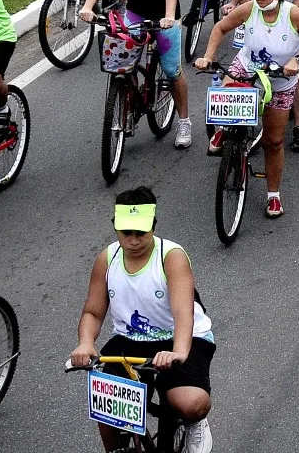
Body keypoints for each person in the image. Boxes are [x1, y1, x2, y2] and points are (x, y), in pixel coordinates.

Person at [70, 191, 215, 453]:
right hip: (131, 340)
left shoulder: (171, 257)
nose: (134, 241)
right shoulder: (107, 259)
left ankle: (195, 424)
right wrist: (85, 343)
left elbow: (184, 315)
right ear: (116, 227)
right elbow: (92, 312)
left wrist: (179, 352)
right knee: (108, 404)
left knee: (191, 404)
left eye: (141, 233)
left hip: (180, 338)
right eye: (127, 233)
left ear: (153, 227)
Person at [194, 0, 299, 216]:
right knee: (227, 88)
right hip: (247, 68)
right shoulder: (249, 9)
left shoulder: (293, 14)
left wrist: (298, 60)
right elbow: (220, 28)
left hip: (280, 82)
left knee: (273, 142)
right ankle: (224, 129)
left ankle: (273, 195)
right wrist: (208, 56)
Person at [79, 0, 193, 148]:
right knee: (121, 62)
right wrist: (88, 7)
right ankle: (128, 97)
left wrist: (169, 16)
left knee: (172, 71)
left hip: (163, 15)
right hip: (135, 13)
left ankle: (184, 121)